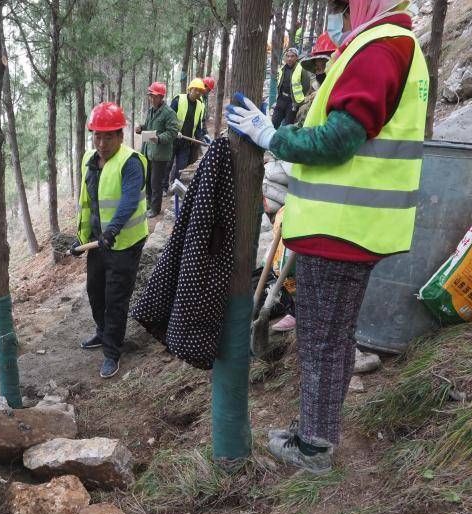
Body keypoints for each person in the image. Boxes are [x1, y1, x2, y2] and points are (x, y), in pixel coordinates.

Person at [225, 0, 428, 473]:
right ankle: (314, 432)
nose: (337, 14)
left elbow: (339, 139)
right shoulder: (393, 44)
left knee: (321, 339)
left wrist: (272, 136)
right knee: (332, 337)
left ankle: (314, 448)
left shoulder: (379, 49)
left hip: (341, 227)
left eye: (341, 5)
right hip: (352, 226)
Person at [71, 102, 148, 379]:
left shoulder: (131, 162)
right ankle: (103, 333)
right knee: (95, 290)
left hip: (124, 242)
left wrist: (112, 231)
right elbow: (87, 201)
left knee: (116, 298)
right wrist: (81, 240)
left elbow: (128, 201)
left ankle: (112, 352)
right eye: (97, 136)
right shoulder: (89, 160)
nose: (101, 143)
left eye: (108, 136)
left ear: (120, 135)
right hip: (98, 242)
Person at [135, 82, 179, 218]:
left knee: (155, 182)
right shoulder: (151, 111)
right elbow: (148, 125)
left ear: (161, 97)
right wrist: (141, 128)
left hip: (160, 154)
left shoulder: (169, 113)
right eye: (150, 96)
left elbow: (172, 133)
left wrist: (159, 138)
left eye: (154, 96)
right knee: (147, 180)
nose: (151, 99)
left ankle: (155, 208)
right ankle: (149, 204)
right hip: (148, 151)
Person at [169, 78, 209, 185]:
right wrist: (173, 131)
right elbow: (168, 118)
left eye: (200, 91)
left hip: (186, 141)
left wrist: (200, 137)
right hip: (173, 138)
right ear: (190, 89)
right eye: (196, 90)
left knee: (181, 166)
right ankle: (164, 187)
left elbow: (198, 126)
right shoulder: (178, 100)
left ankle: (176, 186)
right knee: (168, 164)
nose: (198, 93)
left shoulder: (200, 106)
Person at [273, 47, 312, 128]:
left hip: (293, 103)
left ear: (296, 57)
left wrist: (298, 100)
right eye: (288, 56)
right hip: (281, 100)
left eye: (292, 56)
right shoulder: (282, 69)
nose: (289, 58)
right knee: (274, 123)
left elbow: (306, 86)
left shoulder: (301, 69)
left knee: (288, 126)